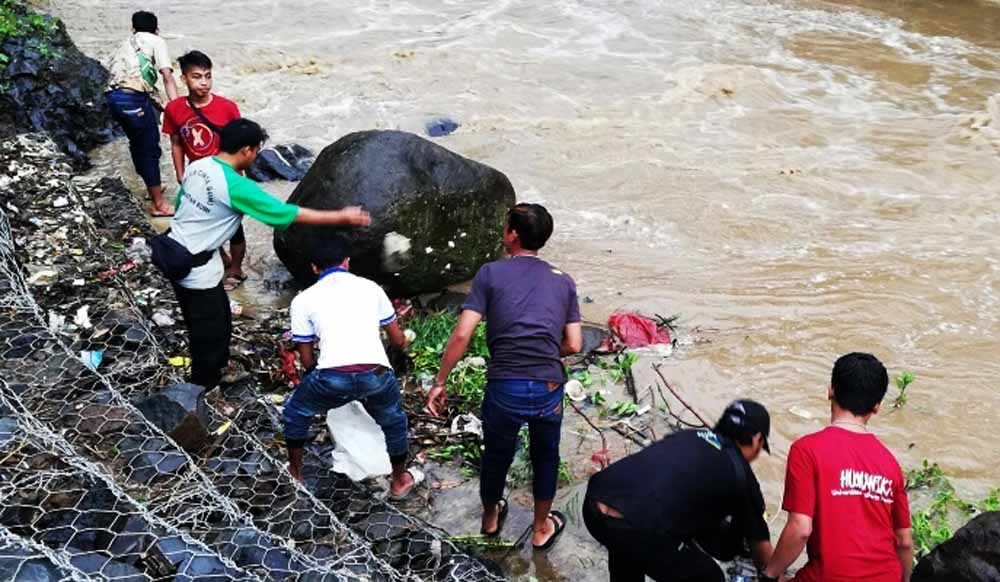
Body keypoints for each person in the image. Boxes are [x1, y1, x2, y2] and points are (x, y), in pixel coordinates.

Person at [166, 118, 370, 389]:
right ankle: (202, 389)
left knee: (214, 319)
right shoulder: (237, 186)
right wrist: (340, 217)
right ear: (247, 150)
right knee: (208, 332)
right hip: (197, 271)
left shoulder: (198, 166)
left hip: (174, 253)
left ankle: (215, 369)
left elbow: (184, 210)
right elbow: (284, 215)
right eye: (257, 151)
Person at [426, 203, 582, 550]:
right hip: (548, 386)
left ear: (512, 235)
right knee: (546, 457)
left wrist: (440, 381)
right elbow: (574, 343)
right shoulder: (564, 281)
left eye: (505, 226)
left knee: (497, 454)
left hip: (504, 385)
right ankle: (541, 528)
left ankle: (490, 518)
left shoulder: (490, 274)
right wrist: (542, 353)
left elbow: (463, 333)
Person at [281, 235, 419, 498]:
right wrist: (399, 352)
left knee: (296, 412)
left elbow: (307, 356)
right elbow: (398, 339)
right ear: (347, 262)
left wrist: (316, 379)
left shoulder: (303, 300)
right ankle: (400, 479)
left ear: (314, 267)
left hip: (333, 377)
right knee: (393, 420)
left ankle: (296, 473)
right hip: (376, 374)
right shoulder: (371, 288)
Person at [760, 353, 913, 582]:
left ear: (830, 390)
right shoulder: (890, 463)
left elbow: (800, 529)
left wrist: (769, 575)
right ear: (877, 406)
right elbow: (904, 541)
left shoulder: (806, 450)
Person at [583, 400, 775, 582]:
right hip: (630, 526)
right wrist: (771, 576)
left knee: (626, 549)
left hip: (595, 502)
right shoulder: (741, 475)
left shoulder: (690, 435)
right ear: (757, 439)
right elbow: (761, 548)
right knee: (708, 576)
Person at [161, 50, 247, 291]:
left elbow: (239, 144)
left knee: (234, 228)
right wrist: (180, 173)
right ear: (184, 79)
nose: (204, 83)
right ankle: (222, 258)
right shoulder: (175, 109)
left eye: (208, 76)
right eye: (197, 77)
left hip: (226, 179)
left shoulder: (227, 108)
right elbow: (176, 142)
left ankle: (236, 269)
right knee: (204, 222)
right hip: (197, 178)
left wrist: (241, 177)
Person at [104, 10, 179, 217]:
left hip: (114, 99)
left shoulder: (125, 43)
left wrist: (160, 105)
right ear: (157, 29)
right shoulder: (156, 41)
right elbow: (166, 76)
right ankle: (158, 205)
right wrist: (178, 105)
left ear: (133, 28)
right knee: (149, 148)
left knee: (137, 143)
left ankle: (151, 188)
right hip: (132, 99)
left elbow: (128, 77)